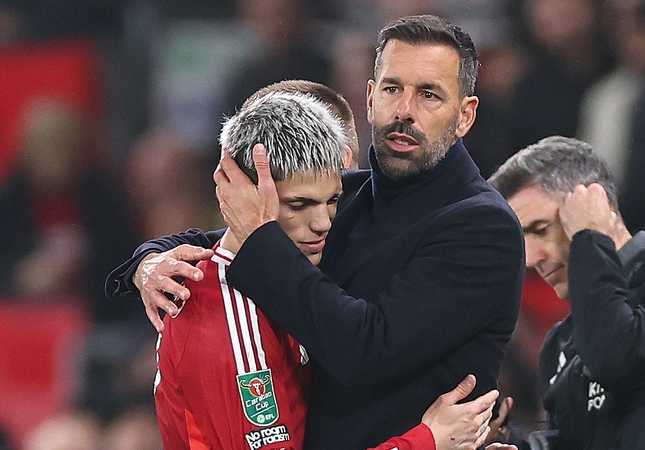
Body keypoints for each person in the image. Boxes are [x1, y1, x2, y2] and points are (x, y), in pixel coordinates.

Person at [110, 14, 525, 449]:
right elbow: (226, 238)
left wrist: (426, 441)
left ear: (464, 116)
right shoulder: (347, 193)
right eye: (392, 89)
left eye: (428, 95)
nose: (404, 110)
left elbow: (365, 350)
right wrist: (148, 262)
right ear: (368, 97)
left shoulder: (482, 225)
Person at [156, 90, 499, 450]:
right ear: (243, 195)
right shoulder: (229, 323)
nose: (322, 223)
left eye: (332, 200)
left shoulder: (285, 282)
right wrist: (425, 442)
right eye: (299, 204)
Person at [488, 136, 645, 450]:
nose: (531, 259)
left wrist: (590, 238)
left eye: (542, 229)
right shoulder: (561, 343)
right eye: (522, 241)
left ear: (595, 206)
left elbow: (614, 358)